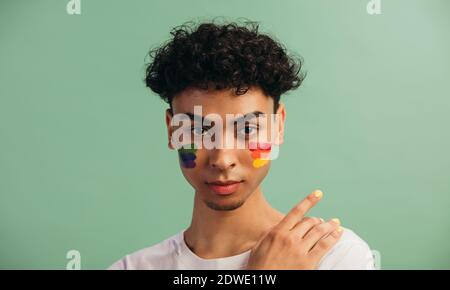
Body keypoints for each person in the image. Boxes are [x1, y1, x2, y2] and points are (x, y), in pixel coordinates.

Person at [109, 21, 375, 270]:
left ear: (278, 126)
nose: (223, 159)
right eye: (199, 130)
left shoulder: (333, 255)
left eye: (247, 129)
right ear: (172, 130)